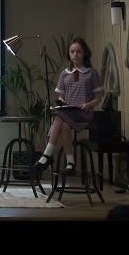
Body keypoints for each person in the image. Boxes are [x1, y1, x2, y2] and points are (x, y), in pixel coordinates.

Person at [34, 37, 103, 176]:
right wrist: (62, 103)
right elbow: (61, 97)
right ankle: (70, 163)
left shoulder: (91, 73)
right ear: (69, 54)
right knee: (63, 122)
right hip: (68, 112)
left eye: (78, 51)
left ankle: (47, 155)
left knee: (59, 118)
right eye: (72, 51)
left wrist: (88, 105)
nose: (75, 54)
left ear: (84, 53)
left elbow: (98, 98)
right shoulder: (65, 74)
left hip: (83, 112)